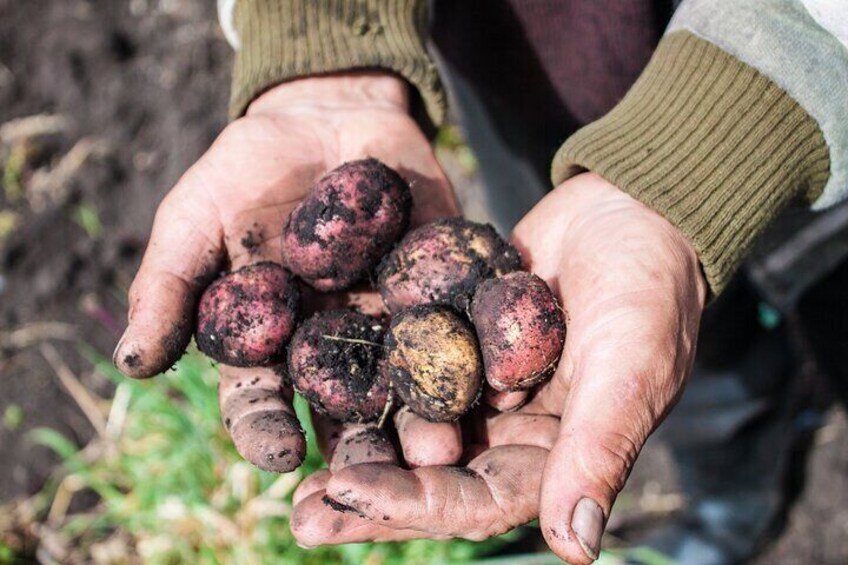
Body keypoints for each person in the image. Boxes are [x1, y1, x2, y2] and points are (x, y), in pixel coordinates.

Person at [112, 1, 848, 563]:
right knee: (652, 305)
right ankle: (734, 476)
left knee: (765, 297)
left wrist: (774, 80)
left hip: (797, 100)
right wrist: (325, 39)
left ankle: (745, 467)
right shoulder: (416, 296)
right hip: (530, 58)